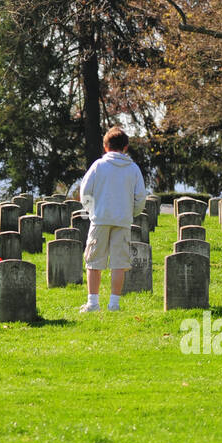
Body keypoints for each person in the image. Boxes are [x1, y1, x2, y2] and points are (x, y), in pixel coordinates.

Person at [78, 127, 147, 312]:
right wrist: (131, 213)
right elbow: (140, 197)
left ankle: (93, 303)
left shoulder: (98, 166)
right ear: (126, 147)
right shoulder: (133, 169)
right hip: (123, 220)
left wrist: (92, 211)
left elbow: (85, 192)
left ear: (105, 146)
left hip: (100, 219)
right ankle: (114, 304)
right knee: (119, 262)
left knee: (94, 260)